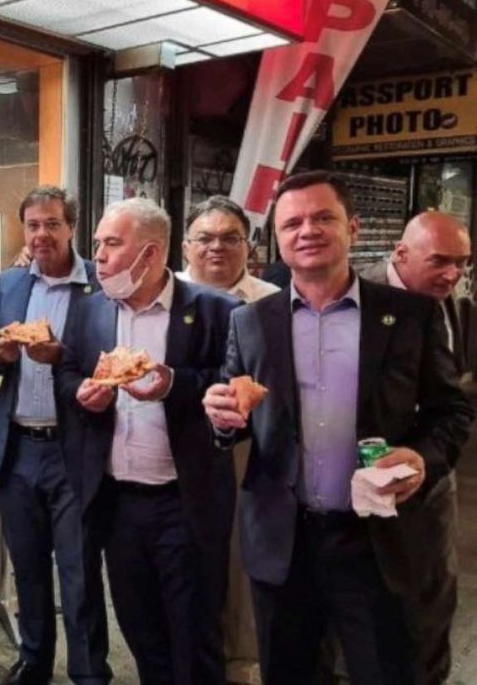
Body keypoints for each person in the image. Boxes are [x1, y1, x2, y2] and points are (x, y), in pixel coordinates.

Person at [203, 171, 473, 685]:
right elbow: (234, 414)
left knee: (385, 671)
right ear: (278, 239)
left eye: (323, 217)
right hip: (284, 542)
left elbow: (451, 412)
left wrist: (422, 457)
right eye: (293, 222)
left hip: (375, 541)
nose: (308, 230)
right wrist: (221, 417)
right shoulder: (250, 322)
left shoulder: (411, 315)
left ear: (352, 226)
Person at [56, 197, 240, 685]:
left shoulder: (216, 311)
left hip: (184, 501)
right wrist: (81, 393)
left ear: (152, 254)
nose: (98, 256)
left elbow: (234, 383)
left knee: (196, 635)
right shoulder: (89, 310)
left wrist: (172, 384)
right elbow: (67, 372)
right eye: (96, 244)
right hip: (118, 503)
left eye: (112, 244)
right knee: (141, 629)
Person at [0, 186, 107, 685]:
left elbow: (112, 359)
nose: (41, 235)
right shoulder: (10, 285)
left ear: (71, 226)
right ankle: (34, 661)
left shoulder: (98, 285)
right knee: (29, 571)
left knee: (77, 575)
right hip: (17, 451)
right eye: (32, 225)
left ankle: (89, 672)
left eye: (52, 223)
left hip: (72, 450)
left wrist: (63, 357)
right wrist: (1, 357)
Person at [358, 210, 471, 685]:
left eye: (463, 263)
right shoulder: (353, 297)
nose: (454, 274)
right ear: (400, 254)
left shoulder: (456, 304)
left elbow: (456, 401)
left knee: (432, 595)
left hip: (429, 476)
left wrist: (428, 458)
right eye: (441, 261)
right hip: (358, 483)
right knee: (363, 602)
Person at [176, 195, 277, 683]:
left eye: (231, 237)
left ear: (249, 246)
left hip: (244, 453)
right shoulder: (160, 294)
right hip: (170, 454)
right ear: (185, 246)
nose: (217, 247)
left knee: (239, 563)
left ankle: (239, 663)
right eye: (205, 238)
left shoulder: (272, 303)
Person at [177, 195, 278, 303]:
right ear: (186, 249)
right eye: (205, 239)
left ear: (248, 248)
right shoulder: (166, 293)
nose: (217, 246)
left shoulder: (272, 298)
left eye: (230, 239)